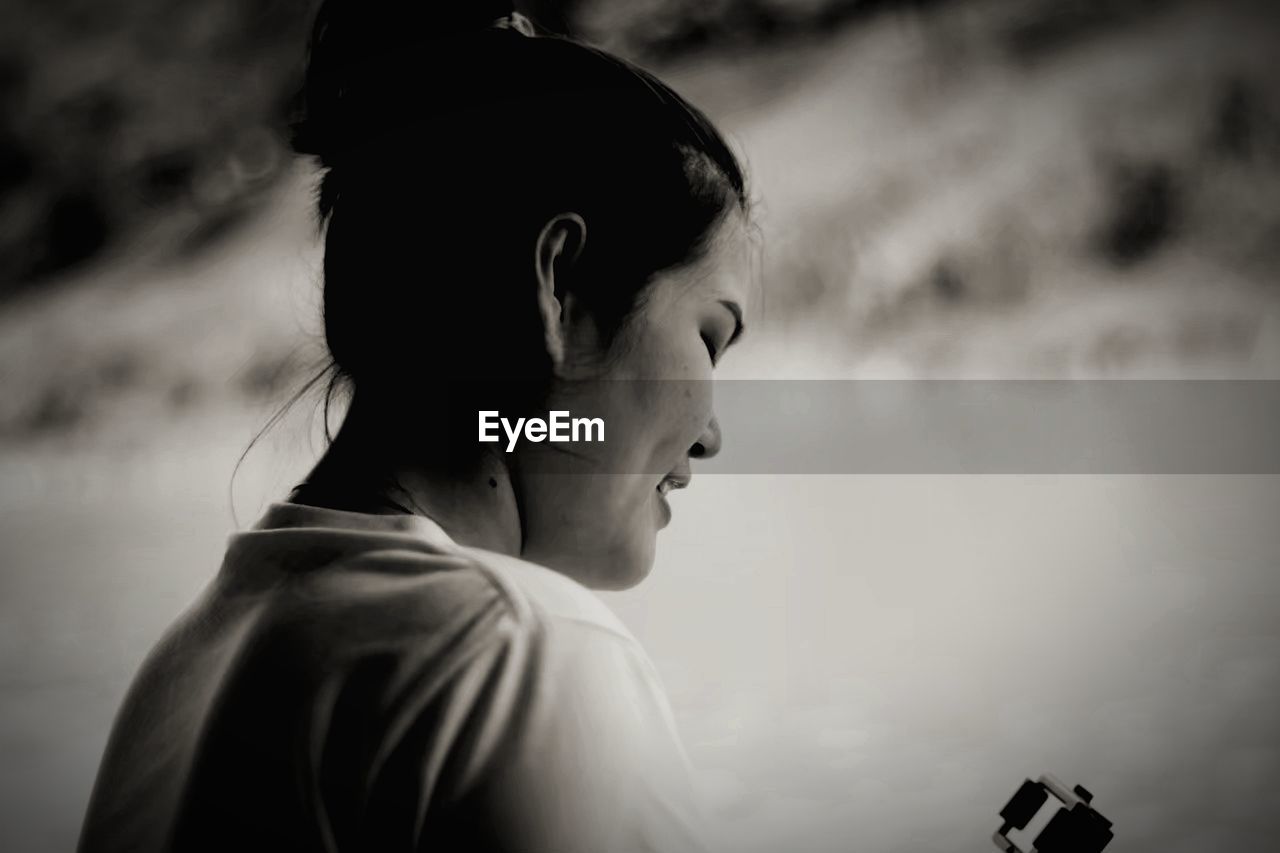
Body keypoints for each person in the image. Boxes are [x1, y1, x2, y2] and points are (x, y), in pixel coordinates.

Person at [78, 1, 754, 851]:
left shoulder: (186, 669)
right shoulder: (520, 650)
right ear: (563, 291)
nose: (710, 436)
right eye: (709, 337)